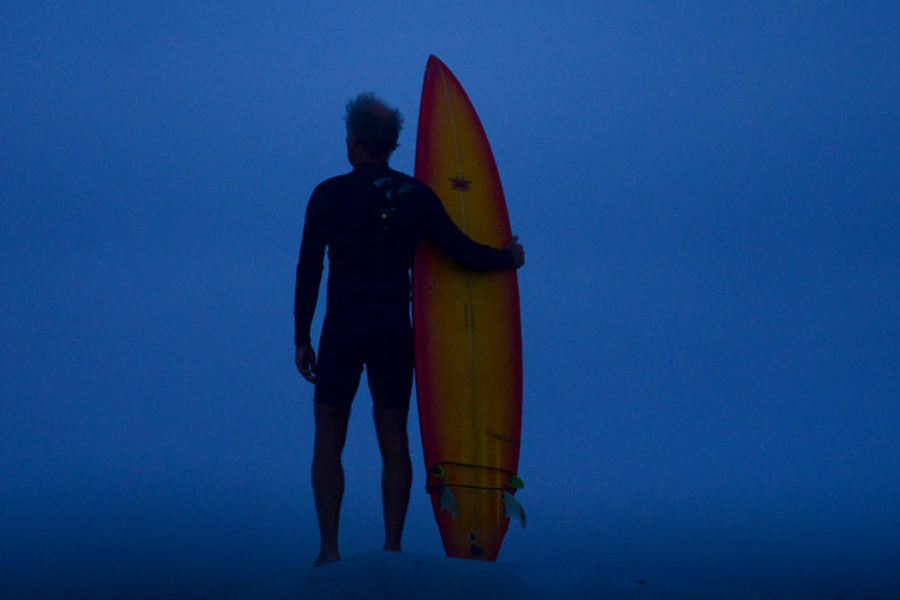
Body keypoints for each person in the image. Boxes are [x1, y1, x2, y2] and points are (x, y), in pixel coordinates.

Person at [294, 93, 524, 567]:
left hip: (342, 328)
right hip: (394, 329)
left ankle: (329, 549)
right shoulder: (416, 196)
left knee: (328, 436)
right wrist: (508, 259)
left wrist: (301, 336)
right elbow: (461, 250)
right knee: (392, 431)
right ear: (392, 143)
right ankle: (392, 545)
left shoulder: (328, 193)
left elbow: (309, 269)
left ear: (355, 139)